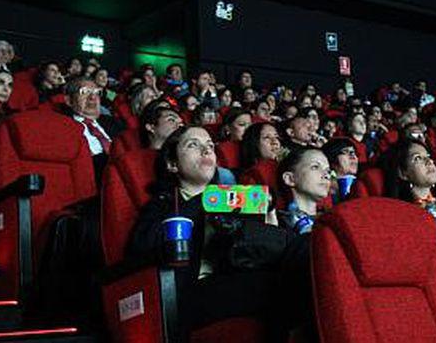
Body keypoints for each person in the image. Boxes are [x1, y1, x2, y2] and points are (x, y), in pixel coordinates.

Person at [128, 126, 308, 340]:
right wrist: (206, 201)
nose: (206, 150)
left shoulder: (236, 201)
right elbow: (141, 247)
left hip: (239, 275)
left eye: (210, 146)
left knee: (305, 253)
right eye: (193, 145)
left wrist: (268, 217)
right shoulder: (164, 204)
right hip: (190, 292)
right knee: (281, 287)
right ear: (172, 164)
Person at [277, 148, 331, 234]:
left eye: (328, 171)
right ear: (290, 179)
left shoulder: (333, 218)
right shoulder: (276, 222)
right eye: (315, 167)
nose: (326, 175)